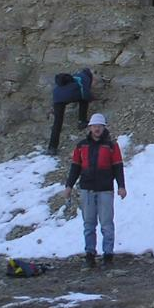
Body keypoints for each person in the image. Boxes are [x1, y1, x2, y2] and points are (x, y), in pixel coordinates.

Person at [64, 112, 126, 268]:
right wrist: (69, 185)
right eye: (94, 126)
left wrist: (121, 186)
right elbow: (75, 167)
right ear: (90, 127)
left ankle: (108, 255)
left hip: (105, 189)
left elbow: (118, 167)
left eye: (100, 126)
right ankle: (90, 254)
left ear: (104, 127)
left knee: (106, 224)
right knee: (89, 224)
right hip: (87, 189)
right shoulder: (81, 146)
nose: (97, 129)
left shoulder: (112, 146)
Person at [47, 68, 94, 156]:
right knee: (84, 100)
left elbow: (57, 90)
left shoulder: (72, 77)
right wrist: (91, 98)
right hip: (71, 96)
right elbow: (86, 93)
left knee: (58, 121)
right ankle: (82, 121)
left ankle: (52, 147)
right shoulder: (85, 77)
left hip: (57, 98)